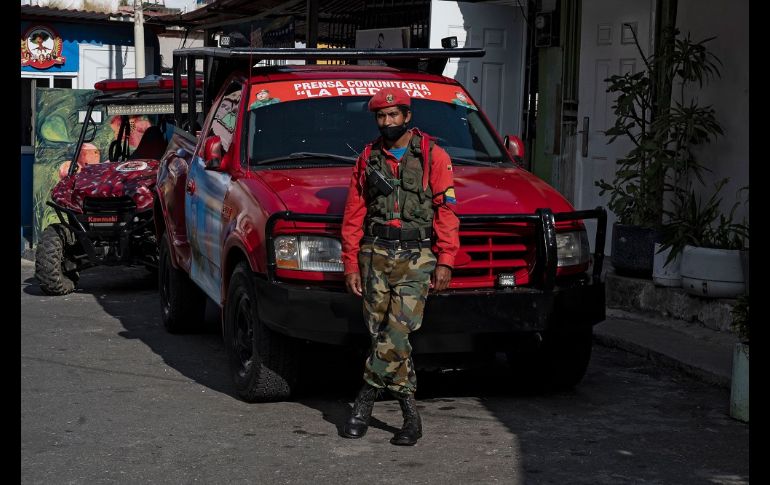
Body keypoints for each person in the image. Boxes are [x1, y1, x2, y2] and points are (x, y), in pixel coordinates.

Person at [340, 87, 459, 446]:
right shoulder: (367, 158)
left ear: (407, 116)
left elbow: (447, 212)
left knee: (397, 333)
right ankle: (411, 417)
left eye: (394, 114)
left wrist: (446, 260)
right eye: (381, 116)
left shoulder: (433, 156)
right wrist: (350, 263)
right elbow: (353, 214)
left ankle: (363, 403)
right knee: (383, 336)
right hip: (375, 255)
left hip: (416, 258)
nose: (387, 121)